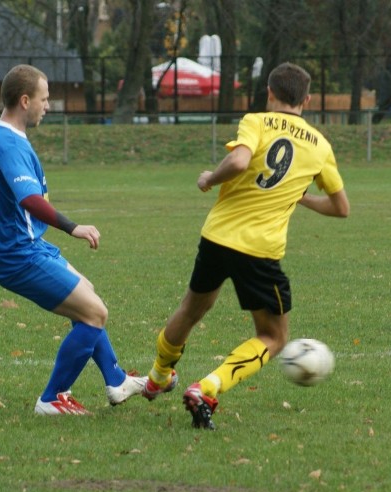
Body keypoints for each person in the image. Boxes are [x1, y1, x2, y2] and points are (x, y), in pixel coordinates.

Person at [142, 62, 350, 429]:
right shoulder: (319, 145)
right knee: (273, 336)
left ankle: (158, 376)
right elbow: (340, 207)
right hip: (259, 249)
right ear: (308, 99)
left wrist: (209, 178)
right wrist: (302, 199)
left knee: (191, 309)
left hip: (217, 236)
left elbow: (239, 160)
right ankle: (207, 387)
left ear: (269, 93)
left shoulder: (256, 121)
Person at [0, 64, 146, 416]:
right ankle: (52, 397)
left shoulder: (1, 135)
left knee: (88, 293)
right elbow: (30, 200)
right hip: (16, 253)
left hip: (23, 245)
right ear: (25, 100)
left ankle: (115, 381)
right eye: (44, 98)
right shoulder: (8, 143)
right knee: (95, 312)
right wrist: (73, 227)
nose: (48, 105)